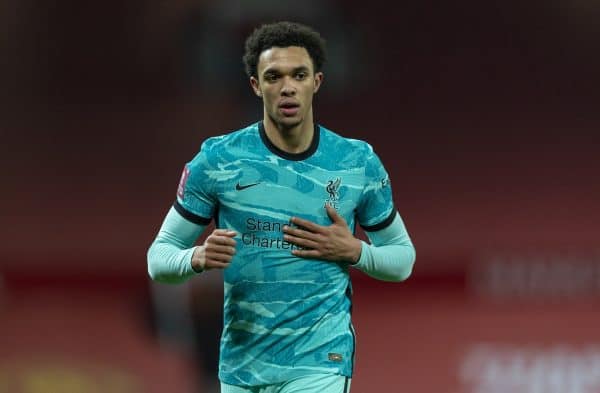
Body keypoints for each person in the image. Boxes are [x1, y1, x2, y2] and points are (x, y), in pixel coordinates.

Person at [147, 21, 416, 393]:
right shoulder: (218, 161)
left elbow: (402, 260)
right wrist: (196, 258)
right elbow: (158, 259)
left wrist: (355, 251)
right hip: (242, 367)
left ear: (316, 82)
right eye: (274, 76)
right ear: (257, 86)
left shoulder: (356, 163)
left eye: (299, 75)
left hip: (319, 361)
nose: (287, 87)